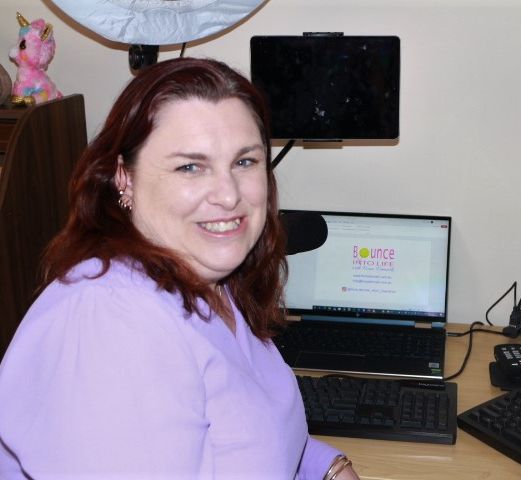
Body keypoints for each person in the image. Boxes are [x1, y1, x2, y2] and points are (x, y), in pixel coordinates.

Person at [0, 57, 359, 480]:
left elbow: (247, 432)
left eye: (245, 161)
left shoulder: (211, 279)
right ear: (124, 179)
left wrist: (327, 467)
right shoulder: (110, 323)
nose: (228, 195)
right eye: (190, 166)